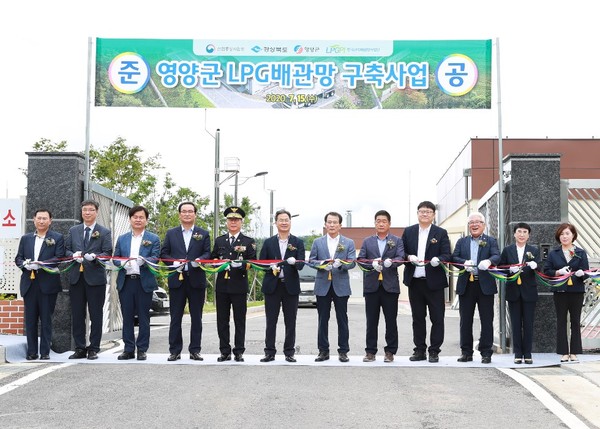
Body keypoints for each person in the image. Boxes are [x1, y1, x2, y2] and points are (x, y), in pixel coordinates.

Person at [161, 201, 211, 361]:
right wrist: (173, 262)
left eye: (190, 211)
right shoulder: (171, 233)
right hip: (177, 280)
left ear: (195, 214)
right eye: (184, 211)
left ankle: (195, 350)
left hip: (196, 280)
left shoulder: (203, 233)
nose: (187, 214)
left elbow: (208, 253)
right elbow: (164, 253)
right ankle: (174, 350)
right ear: (179, 214)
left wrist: (199, 260)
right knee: (175, 317)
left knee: (197, 317)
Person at [402, 201, 451, 363]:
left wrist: (439, 259)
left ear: (434, 215)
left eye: (428, 211)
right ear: (417, 213)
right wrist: (409, 257)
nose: (425, 214)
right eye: (422, 211)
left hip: (434, 283)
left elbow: (447, 254)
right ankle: (420, 350)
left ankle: (434, 351)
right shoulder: (408, 232)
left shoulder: (441, 232)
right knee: (418, 318)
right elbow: (402, 253)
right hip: (415, 282)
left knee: (437, 318)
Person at [65, 200, 112, 360]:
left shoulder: (104, 232)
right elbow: (66, 249)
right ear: (81, 212)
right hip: (76, 278)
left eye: (91, 210)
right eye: (84, 210)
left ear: (96, 212)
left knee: (95, 314)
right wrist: (73, 255)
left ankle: (94, 348)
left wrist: (96, 257)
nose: (87, 212)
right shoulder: (74, 230)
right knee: (77, 314)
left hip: (95, 279)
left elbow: (108, 253)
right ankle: (79, 347)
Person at [15, 209, 65, 360]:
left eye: (45, 218)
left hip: (48, 283)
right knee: (30, 320)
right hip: (29, 284)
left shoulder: (57, 238)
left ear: (50, 221)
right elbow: (18, 258)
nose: (41, 221)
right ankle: (31, 352)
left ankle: (45, 352)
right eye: (39, 218)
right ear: (34, 220)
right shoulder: (26, 238)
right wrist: (25, 264)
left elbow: (59, 258)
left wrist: (41, 264)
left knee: (46, 319)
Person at [112, 205, 160, 361]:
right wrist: (122, 264)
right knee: (127, 317)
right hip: (126, 281)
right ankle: (128, 349)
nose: (138, 220)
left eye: (141, 217)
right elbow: (115, 258)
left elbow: (155, 258)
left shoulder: (153, 239)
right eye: (135, 217)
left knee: (144, 317)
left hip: (143, 282)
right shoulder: (122, 238)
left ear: (146, 220)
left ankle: (142, 349)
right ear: (130, 219)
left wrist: (144, 261)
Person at [451, 212, 500, 364]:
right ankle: (466, 352)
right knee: (465, 320)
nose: (474, 224)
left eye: (478, 222)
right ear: (468, 225)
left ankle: (486, 352)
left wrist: (489, 262)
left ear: (483, 225)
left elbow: (497, 256)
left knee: (487, 320)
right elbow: (454, 258)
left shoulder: (491, 241)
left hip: (484, 285)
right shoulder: (462, 241)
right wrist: (464, 262)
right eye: (471, 222)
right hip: (466, 285)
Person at [259, 209, 306, 363]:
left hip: (290, 287)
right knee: (271, 320)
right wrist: (270, 267)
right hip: (272, 286)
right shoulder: (268, 242)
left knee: (290, 321)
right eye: (281, 220)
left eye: (287, 220)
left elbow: (301, 265)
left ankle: (289, 352)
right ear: (276, 223)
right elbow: (261, 264)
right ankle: (269, 352)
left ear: (290, 222)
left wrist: (294, 263)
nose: (284, 223)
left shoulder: (298, 242)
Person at [309, 211, 356, 363]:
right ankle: (323, 351)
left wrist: (341, 264)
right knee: (323, 319)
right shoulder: (318, 242)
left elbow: (352, 262)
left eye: (335, 222)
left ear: (340, 225)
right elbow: (311, 261)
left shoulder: (348, 242)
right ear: (325, 224)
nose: (332, 225)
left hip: (341, 285)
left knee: (342, 319)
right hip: (323, 284)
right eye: (329, 222)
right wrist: (322, 265)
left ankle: (343, 351)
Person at [357, 210, 404, 363]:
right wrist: (372, 263)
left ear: (389, 224)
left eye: (384, 221)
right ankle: (370, 352)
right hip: (371, 286)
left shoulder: (396, 240)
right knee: (371, 320)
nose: (381, 223)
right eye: (378, 221)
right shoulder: (367, 241)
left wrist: (392, 262)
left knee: (391, 320)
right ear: (375, 223)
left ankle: (390, 351)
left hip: (390, 286)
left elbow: (401, 257)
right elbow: (361, 259)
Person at [211, 206, 257, 362]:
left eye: (236, 220)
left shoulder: (248, 241)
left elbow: (253, 261)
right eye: (230, 219)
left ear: (241, 222)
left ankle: (238, 351)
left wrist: (242, 264)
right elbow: (213, 258)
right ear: (226, 222)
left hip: (239, 285)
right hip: (222, 286)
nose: (233, 222)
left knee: (239, 320)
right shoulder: (219, 240)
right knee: (222, 320)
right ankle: (224, 351)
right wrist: (218, 263)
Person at [544, 223, 589, 363]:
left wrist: (582, 274)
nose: (564, 236)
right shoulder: (554, 253)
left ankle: (574, 352)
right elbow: (547, 271)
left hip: (576, 291)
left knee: (575, 321)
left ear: (573, 235)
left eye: (567, 234)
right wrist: (558, 272)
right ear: (559, 236)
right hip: (560, 291)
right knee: (561, 321)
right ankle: (563, 352)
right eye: (562, 234)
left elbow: (586, 273)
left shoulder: (580, 253)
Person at [499, 222, 540, 364]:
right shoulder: (507, 250)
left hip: (529, 291)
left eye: (525, 232)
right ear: (514, 234)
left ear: (528, 235)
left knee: (528, 323)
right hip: (513, 292)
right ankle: (517, 353)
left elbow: (540, 267)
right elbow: (500, 267)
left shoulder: (533, 250)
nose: (522, 234)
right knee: (515, 324)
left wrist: (536, 265)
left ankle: (528, 353)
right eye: (519, 232)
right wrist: (510, 270)